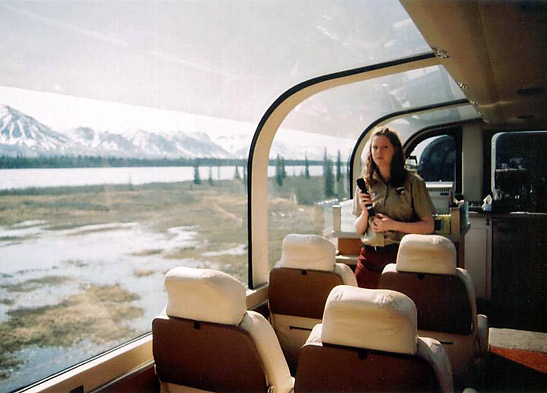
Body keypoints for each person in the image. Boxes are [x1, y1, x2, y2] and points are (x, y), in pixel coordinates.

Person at [353, 127, 435, 288]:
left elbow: (428, 226)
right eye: (375, 147)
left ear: (395, 150)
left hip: (399, 256)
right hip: (368, 259)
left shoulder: (413, 182)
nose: (379, 152)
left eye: (385, 147)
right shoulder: (365, 184)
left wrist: (394, 225)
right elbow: (359, 229)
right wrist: (364, 212)